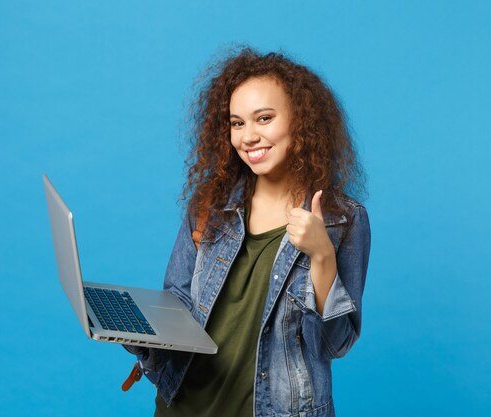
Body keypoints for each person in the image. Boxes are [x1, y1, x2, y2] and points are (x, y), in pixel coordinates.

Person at [124, 47, 371, 417]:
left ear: (301, 121)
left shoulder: (342, 220)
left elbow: (336, 344)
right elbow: (178, 303)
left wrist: (322, 256)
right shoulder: (210, 206)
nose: (249, 136)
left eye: (264, 118)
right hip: (183, 407)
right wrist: (136, 330)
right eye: (237, 123)